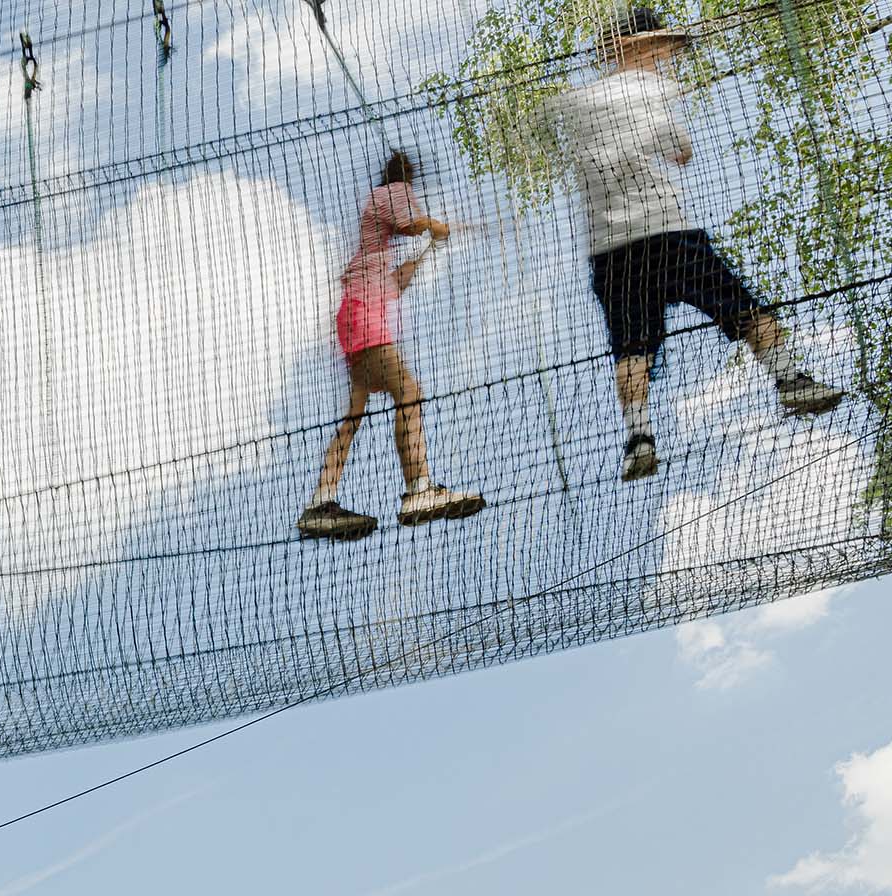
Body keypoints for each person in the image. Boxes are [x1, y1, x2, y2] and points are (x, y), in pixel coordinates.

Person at [541, 7, 840, 483]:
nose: (666, 56)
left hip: (608, 248)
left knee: (631, 347)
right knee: (747, 312)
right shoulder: (652, 88)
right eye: (660, 47)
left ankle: (639, 437)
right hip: (666, 232)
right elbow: (681, 150)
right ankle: (790, 380)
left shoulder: (578, 100)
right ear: (636, 46)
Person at [298, 150, 486, 540]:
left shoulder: (373, 239)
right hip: (363, 316)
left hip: (358, 314)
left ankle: (320, 503)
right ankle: (419, 489)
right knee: (409, 391)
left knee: (352, 418)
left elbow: (395, 284)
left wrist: (430, 247)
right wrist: (432, 225)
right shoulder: (392, 192)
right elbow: (409, 223)